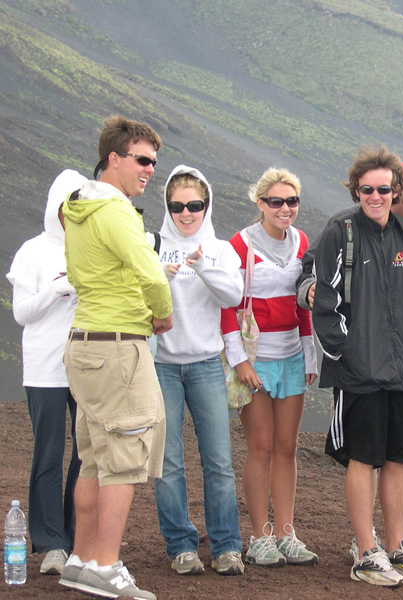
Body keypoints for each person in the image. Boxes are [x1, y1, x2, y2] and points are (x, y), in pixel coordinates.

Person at [296, 157, 403, 569]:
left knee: (400, 457)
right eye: (367, 189)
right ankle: (366, 550)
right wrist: (345, 353)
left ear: (395, 190)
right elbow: (323, 296)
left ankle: (395, 548)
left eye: (383, 189)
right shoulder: (340, 230)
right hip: (360, 371)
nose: (376, 196)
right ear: (356, 190)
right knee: (363, 458)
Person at [60, 115, 173, 600]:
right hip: (118, 345)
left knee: (93, 458)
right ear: (114, 158)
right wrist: (162, 315)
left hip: (85, 342)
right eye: (142, 160)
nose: (149, 170)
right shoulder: (116, 209)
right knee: (125, 458)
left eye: (153, 162)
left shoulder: (78, 207)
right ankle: (107, 568)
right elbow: (151, 273)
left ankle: (81, 561)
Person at [221, 167, 319, 568]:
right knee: (260, 447)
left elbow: (304, 302)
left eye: (291, 201)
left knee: (287, 447)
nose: (284, 208)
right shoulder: (239, 245)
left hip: (292, 354)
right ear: (260, 203)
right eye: (276, 201)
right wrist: (239, 360)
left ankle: (286, 531)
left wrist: (311, 353)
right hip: (255, 360)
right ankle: (260, 534)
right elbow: (227, 304)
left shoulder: (303, 243)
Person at [152, 166, 244, 576]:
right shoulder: (151, 245)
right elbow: (138, 295)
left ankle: (226, 546)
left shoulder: (220, 248)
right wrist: (160, 278)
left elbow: (233, 294)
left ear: (207, 206)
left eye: (194, 205)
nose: (186, 213)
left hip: (206, 363)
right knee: (167, 462)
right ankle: (181, 545)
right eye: (177, 206)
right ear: (167, 207)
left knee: (218, 460)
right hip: (161, 366)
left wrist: (203, 266)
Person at [6, 169, 86, 576]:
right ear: (55, 206)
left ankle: (75, 537)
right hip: (45, 368)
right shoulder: (32, 251)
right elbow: (21, 313)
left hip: (87, 364)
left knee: (86, 452)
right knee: (49, 452)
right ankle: (50, 541)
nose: (72, 213)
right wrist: (55, 289)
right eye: (66, 205)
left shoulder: (91, 247)